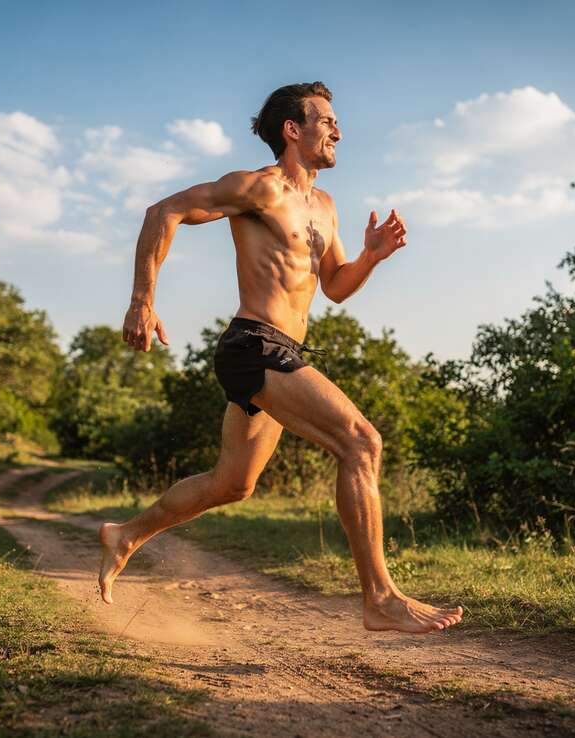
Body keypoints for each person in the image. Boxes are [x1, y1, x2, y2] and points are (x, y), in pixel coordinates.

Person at [100, 81, 463, 634]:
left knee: (232, 484)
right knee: (362, 442)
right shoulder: (259, 189)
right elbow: (163, 212)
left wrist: (371, 256)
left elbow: (337, 286)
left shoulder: (325, 206)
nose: (338, 129)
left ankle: (125, 534)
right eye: (326, 120)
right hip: (254, 344)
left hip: (283, 350)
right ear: (293, 130)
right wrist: (141, 303)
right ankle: (380, 598)